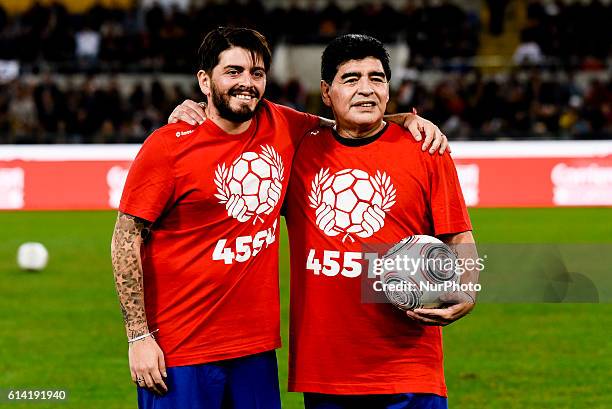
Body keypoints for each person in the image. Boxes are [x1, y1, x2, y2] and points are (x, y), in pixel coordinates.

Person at [112, 27, 448, 409]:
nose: (246, 83)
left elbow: (346, 124)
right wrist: (139, 336)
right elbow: (126, 238)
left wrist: (405, 119)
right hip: (181, 349)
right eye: (233, 72)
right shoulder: (168, 146)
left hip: (256, 352)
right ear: (204, 81)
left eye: (257, 73)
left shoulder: (284, 125)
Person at [282, 33, 478, 409]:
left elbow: (458, 234)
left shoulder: (426, 150)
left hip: (408, 368)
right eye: (351, 79)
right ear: (327, 92)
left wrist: (468, 290)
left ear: (389, 89)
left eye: (377, 78)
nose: (366, 89)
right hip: (327, 371)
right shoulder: (300, 150)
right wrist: (191, 107)